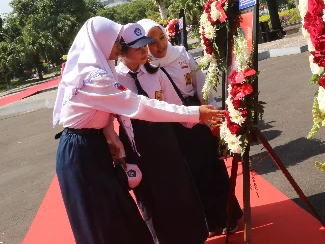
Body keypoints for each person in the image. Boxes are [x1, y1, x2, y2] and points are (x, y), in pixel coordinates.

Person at [53, 16, 224, 244]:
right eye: (115, 42)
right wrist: (195, 113)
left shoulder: (100, 71)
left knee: (118, 216)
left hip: (92, 146)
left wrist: (114, 142)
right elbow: (140, 105)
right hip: (82, 153)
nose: (118, 46)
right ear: (100, 42)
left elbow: (103, 117)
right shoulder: (95, 78)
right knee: (102, 222)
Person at [138, 18, 244, 236]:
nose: (160, 45)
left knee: (210, 167)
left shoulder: (181, 54)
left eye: (161, 38)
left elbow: (200, 82)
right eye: (152, 43)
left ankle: (228, 215)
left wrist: (211, 110)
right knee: (191, 175)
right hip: (173, 125)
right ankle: (208, 223)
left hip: (198, 115)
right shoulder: (147, 69)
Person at [115, 23, 211, 244]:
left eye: (145, 46)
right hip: (137, 146)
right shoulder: (114, 80)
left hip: (165, 140)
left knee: (179, 191)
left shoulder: (154, 72)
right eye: (137, 47)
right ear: (122, 51)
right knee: (151, 199)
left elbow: (174, 105)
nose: (144, 51)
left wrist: (198, 121)